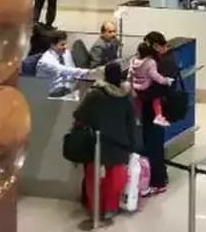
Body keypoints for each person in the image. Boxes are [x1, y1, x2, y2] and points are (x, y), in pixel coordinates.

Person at [73, 61, 139, 219]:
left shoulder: (95, 93)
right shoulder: (127, 95)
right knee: (116, 178)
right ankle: (111, 206)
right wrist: (133, 144)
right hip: (119, 143)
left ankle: (95, 207)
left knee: (93, 177)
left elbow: (79, 115)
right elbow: (132, 121)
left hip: (95, 141)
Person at [140, 31, 179, 195]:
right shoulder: (167, 59)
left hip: (154, 111)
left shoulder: (164, 63)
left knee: (153, 144)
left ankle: (158, 180)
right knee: (155, 143)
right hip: (158, 110)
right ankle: (159, 176)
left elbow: (156, 89)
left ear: (156, 46)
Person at [129, 42, 174, 126]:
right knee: (156, 97)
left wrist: (131, 88)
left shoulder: (132, 61)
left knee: (138, 103)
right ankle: (158, 116)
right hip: (146, 87)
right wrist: (166, 80)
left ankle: (137, 119)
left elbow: (129, 76)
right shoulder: (150, 62)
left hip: (135, 88)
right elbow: (155, 76)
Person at [36, 31, 91, 95]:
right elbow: (65, 70)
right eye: (62, 45)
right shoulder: (46, 61)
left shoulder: (66, 53)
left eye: (66, 44)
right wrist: (89, 72)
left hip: (67, 91)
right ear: (52, 45)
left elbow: (72, 71)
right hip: (51, 94)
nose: (66, 47)